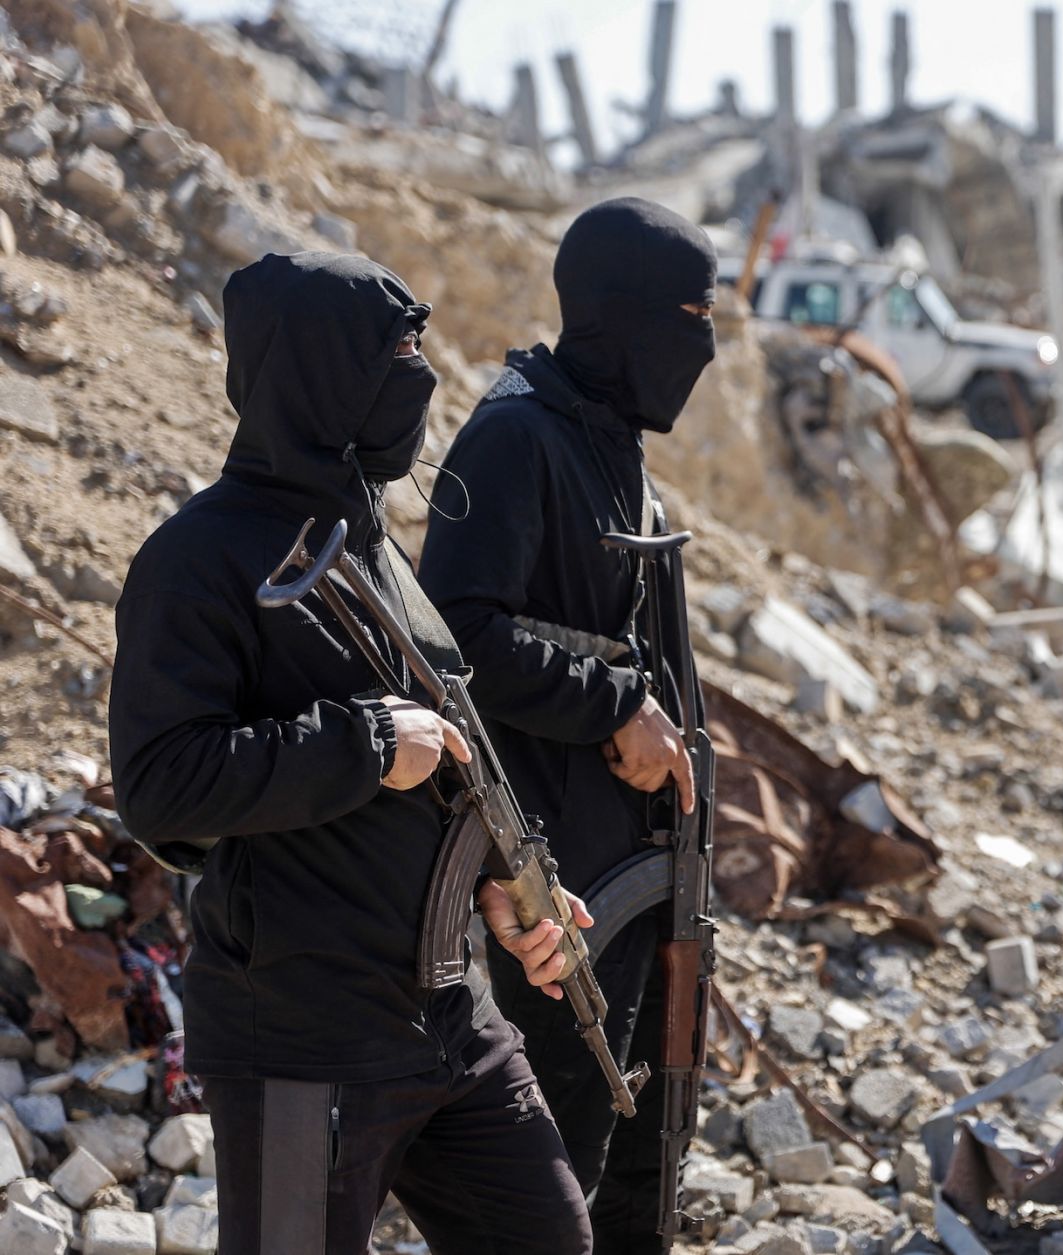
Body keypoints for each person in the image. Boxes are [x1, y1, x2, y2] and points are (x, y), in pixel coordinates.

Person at [109, 252, 594, 1255]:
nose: (419, 375)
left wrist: (506, 885)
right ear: (324, 372)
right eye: (398, 351)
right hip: (301, 1034)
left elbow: (452, 745)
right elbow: (160, 786)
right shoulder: (198, 559)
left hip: (449, 1017)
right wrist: (364, 744)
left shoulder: (371, 542)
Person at [417, 197, 716, 1250]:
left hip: (632, 870)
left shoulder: (606, 437)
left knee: (639, 1150)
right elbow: (452, 638)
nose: (704, 341)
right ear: (621, 314)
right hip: (551, 884)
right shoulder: (516, 437)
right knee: (554, 1173)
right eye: (688, 313)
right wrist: (615, 707)